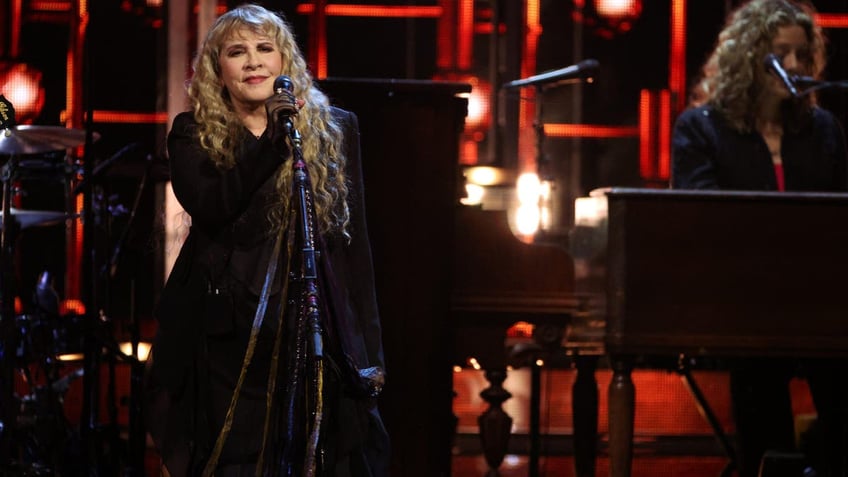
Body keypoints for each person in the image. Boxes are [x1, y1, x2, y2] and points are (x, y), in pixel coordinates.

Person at [144, 4, 389, 476]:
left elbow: (352, 249)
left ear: (285, 62)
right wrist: (272, 143)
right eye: (238, 52)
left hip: (309, 322)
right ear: (219, 69)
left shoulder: (336, 129)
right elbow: (213, 205)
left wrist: (370, 353)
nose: (253, 61)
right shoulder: (191, 134)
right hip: (227, 333)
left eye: (264, 49)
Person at [672, 1, 848, 476]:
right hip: (741, 302)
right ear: (748, 58)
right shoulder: (701, 128)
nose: (793, 67)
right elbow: (701, 222)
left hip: (819, 302)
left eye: (800, 56)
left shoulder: (823, 130)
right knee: (760, 383)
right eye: (779, 55)